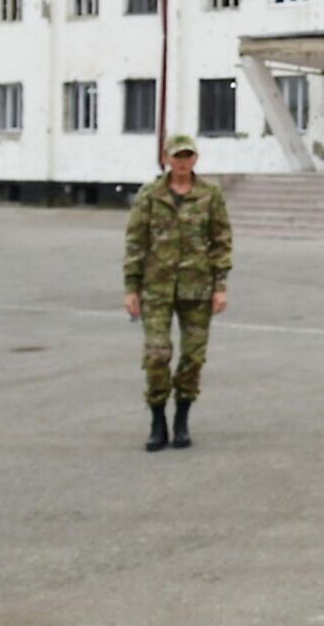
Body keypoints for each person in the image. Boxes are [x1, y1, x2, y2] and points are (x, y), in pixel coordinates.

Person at [123, 134, 233, 452]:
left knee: (193, 358)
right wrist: (131, 288)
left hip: (197, 289)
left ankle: (182, 420)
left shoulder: (210, 195)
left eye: (188, 156)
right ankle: (158, 420)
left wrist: (220, 286)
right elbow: (135, 243)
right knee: (157, 355)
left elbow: (221, 240)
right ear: (166, 158)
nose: (182, 162)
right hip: (155, 288)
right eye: (177, 156)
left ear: (195, 159)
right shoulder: (150, 195)